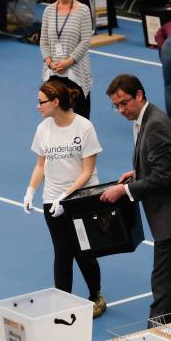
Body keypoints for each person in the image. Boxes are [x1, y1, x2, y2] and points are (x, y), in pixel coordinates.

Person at [100, 74, 171, 319]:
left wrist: (124, 190)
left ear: (139, 95)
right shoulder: (144, 120)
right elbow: (169, 163)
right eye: (115, 106)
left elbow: (162, 178)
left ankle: (154, 340)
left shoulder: (155, 124)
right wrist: (139, 172)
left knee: (163, 286)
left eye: (124, 103)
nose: (120, 110)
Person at [22, 79, 106, 318]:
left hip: (81, 197)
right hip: (53, 197)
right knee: (62, 251)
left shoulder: (84, 127)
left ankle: (96, 295)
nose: (37, 106)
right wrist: (31, 190)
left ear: (56, 102)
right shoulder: (43, 129)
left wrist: (65, 197)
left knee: (84, 250)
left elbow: (87, 171)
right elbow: (41, 165)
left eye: (41, 102)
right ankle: (62, 300)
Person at [40, 0, 93, 119]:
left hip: (76, 73)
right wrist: (49, 62)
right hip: (53, 72)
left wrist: (68, 62)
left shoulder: (83, 10)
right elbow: (43, 41)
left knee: (80, 118)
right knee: (54, 118)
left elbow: (85, 41)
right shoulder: (48, 11)